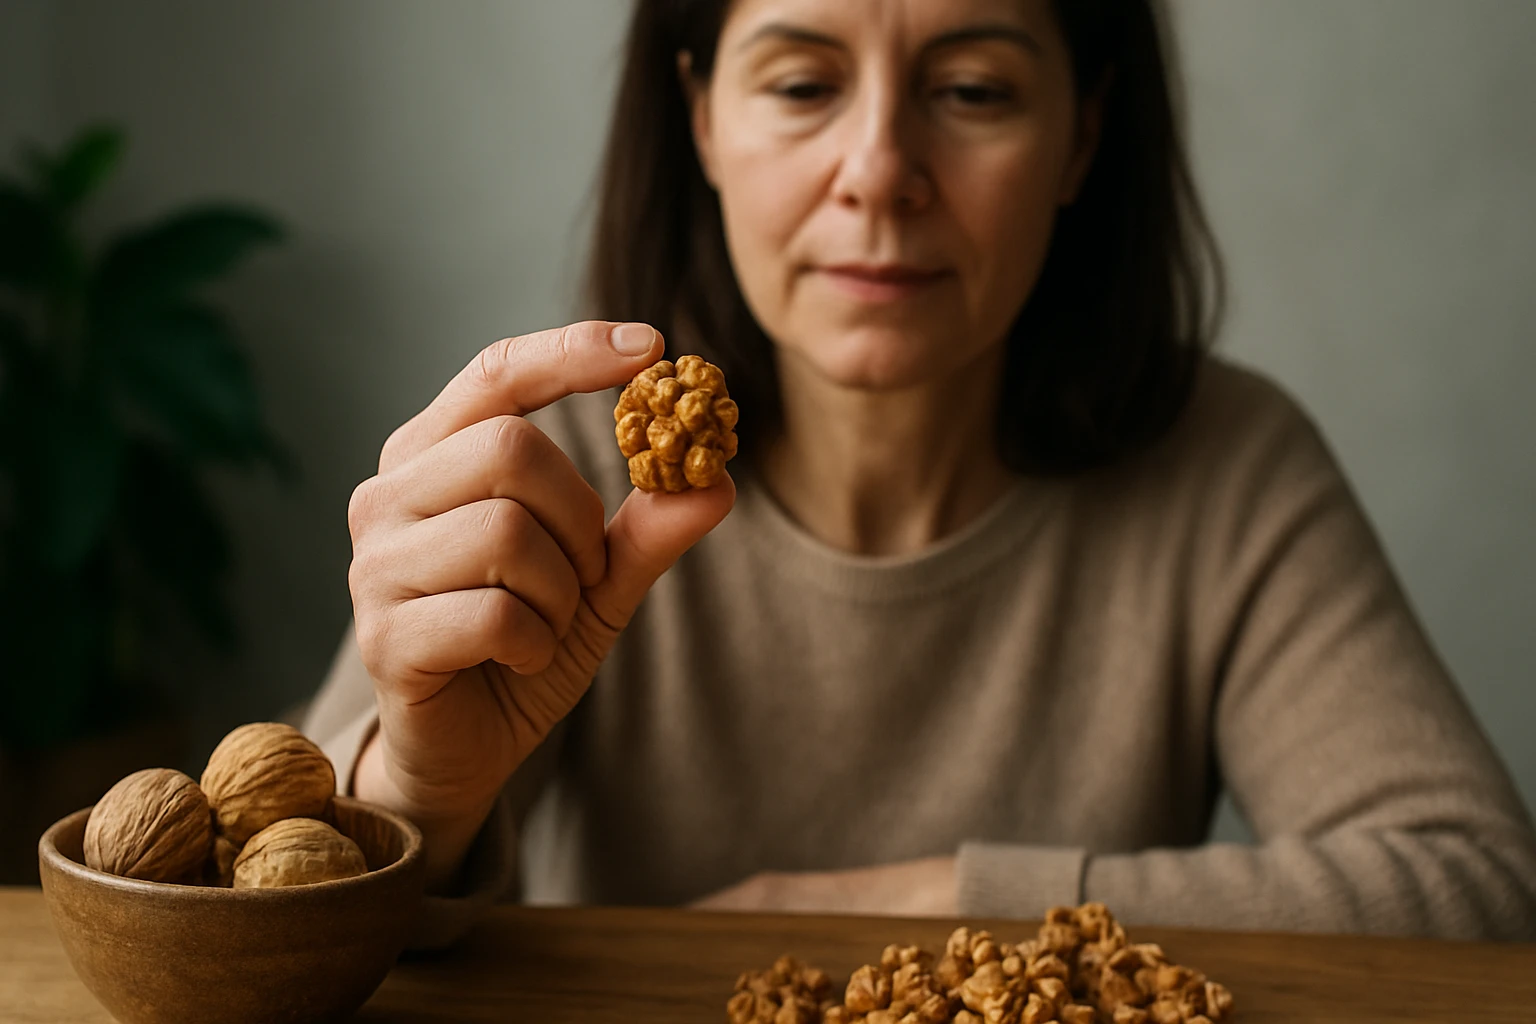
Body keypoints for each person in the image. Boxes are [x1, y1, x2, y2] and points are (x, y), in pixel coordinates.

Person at [304, 0, 1536, 949]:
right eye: (803, 84)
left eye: (973, 89)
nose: (881, 169)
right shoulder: (555, 479)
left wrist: (921, 899)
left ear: (1082, 134)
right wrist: (422, 788)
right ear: (702, 120)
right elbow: (266, 889)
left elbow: (1481, 889)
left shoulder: (1222, 466)